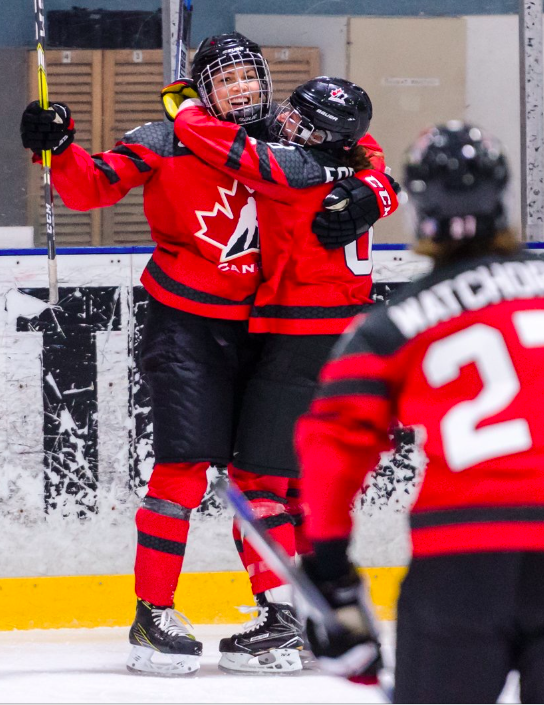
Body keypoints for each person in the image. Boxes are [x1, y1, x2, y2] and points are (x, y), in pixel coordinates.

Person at [293, 121, 544, 703]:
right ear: (501, 197)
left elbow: (333, 440)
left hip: (465, 553)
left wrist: (331, 566)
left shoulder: (393, 322)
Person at [21, 33, 385, 676]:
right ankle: (152, 615)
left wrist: (374, 192)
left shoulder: (292, 132)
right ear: (203, 89)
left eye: (249, 76)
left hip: (267, 331)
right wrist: (57, 148)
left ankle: (280, 616)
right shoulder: (164, 137)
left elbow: (359, 144)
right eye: (225, 80)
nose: (241, 88)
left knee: (267, 480)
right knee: (184, 470)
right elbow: (91, 189)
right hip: (186, 327)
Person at [167, 76, 398, 673]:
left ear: (326, 136)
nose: (288, 122)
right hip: (341, 341)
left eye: (302, 119)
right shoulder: (348, 163)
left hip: (301, 340)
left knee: (254, 485)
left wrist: (187, 100)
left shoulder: (291, 170)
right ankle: (313, 612)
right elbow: (371, 156)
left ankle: (284, 622)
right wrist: (381, 186)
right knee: (295, 490)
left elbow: (209, 139)